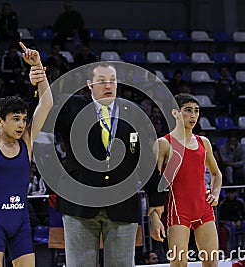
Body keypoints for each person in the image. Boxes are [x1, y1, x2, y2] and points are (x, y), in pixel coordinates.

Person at [29, 61, 163, 267]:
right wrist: (39, 81)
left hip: (123, 204)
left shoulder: (134, 112)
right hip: (79, 203)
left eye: (112, 81)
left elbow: (146, 159)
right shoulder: (72, 107)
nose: (108, 86)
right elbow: (45, 108)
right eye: (102, 82)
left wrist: (156, 201)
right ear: (90, 84)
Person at [0, 42, 53, 267]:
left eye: (24, 119)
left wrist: (38, 66)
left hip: (21, 223)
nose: (22, 125)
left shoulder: (26, 142)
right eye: (16, 119)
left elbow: (47, 103)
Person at [150, 93, 222, 267]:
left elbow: (216, 174)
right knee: (179, 263)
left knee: (212, 263)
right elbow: (153, 183)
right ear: (175, 113)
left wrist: (215, 194)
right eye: (188, 110)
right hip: (178, 210)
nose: (193, 115)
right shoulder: (164, 143)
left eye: (196, 111)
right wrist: (154, 217)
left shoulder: (203, 142)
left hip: (204, 208)